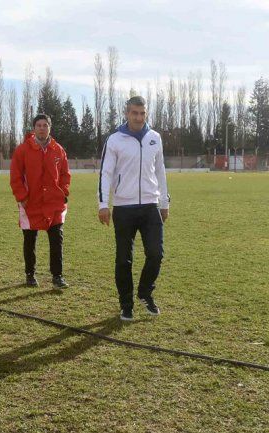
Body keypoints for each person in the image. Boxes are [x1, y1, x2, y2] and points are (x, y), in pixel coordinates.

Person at [97, 96, 170, 321]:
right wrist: (103, 204)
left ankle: (145, 292)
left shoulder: (154, 138)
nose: (138, 117)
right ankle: (126, 303)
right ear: (127, 113)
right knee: (123, 259)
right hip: (124, 207)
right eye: (134, 113)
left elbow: (160, 171)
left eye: (142, 113)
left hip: (150, 206)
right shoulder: (115, 140)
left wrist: (164, 203)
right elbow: (106, 173)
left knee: (156, 254)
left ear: (145, 114)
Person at [10, 114, 71, 289]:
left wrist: (63, 192)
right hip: (31, 203)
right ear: (34, 128)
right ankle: (30, 274)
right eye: (39, 125)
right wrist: (22, 197)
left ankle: (57, 276)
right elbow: (15, 176)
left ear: (50, 128)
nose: (42, 128)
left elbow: (65, 175)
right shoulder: (22, 150)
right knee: (29, 239)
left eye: (45, 125)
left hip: (54, 204)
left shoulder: (58, 150)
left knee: (57, 239)